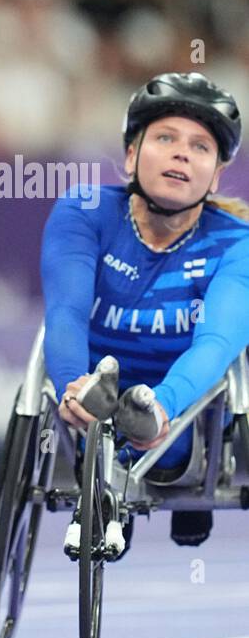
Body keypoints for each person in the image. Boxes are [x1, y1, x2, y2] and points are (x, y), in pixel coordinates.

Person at [42, 72, 249, 557]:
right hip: (92, 401)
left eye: (200, 147)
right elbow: (66, 312)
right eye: (165, 138)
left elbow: (217, 343)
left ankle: (159, 472)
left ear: (216, 175)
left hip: (178, 416)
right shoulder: (84, 211)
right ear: (132, 155)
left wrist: (161, 408)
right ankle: (104, 477)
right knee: (99, 408)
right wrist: (72, 383)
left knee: (161, 437)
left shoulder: (236, 244)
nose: (181, 153)